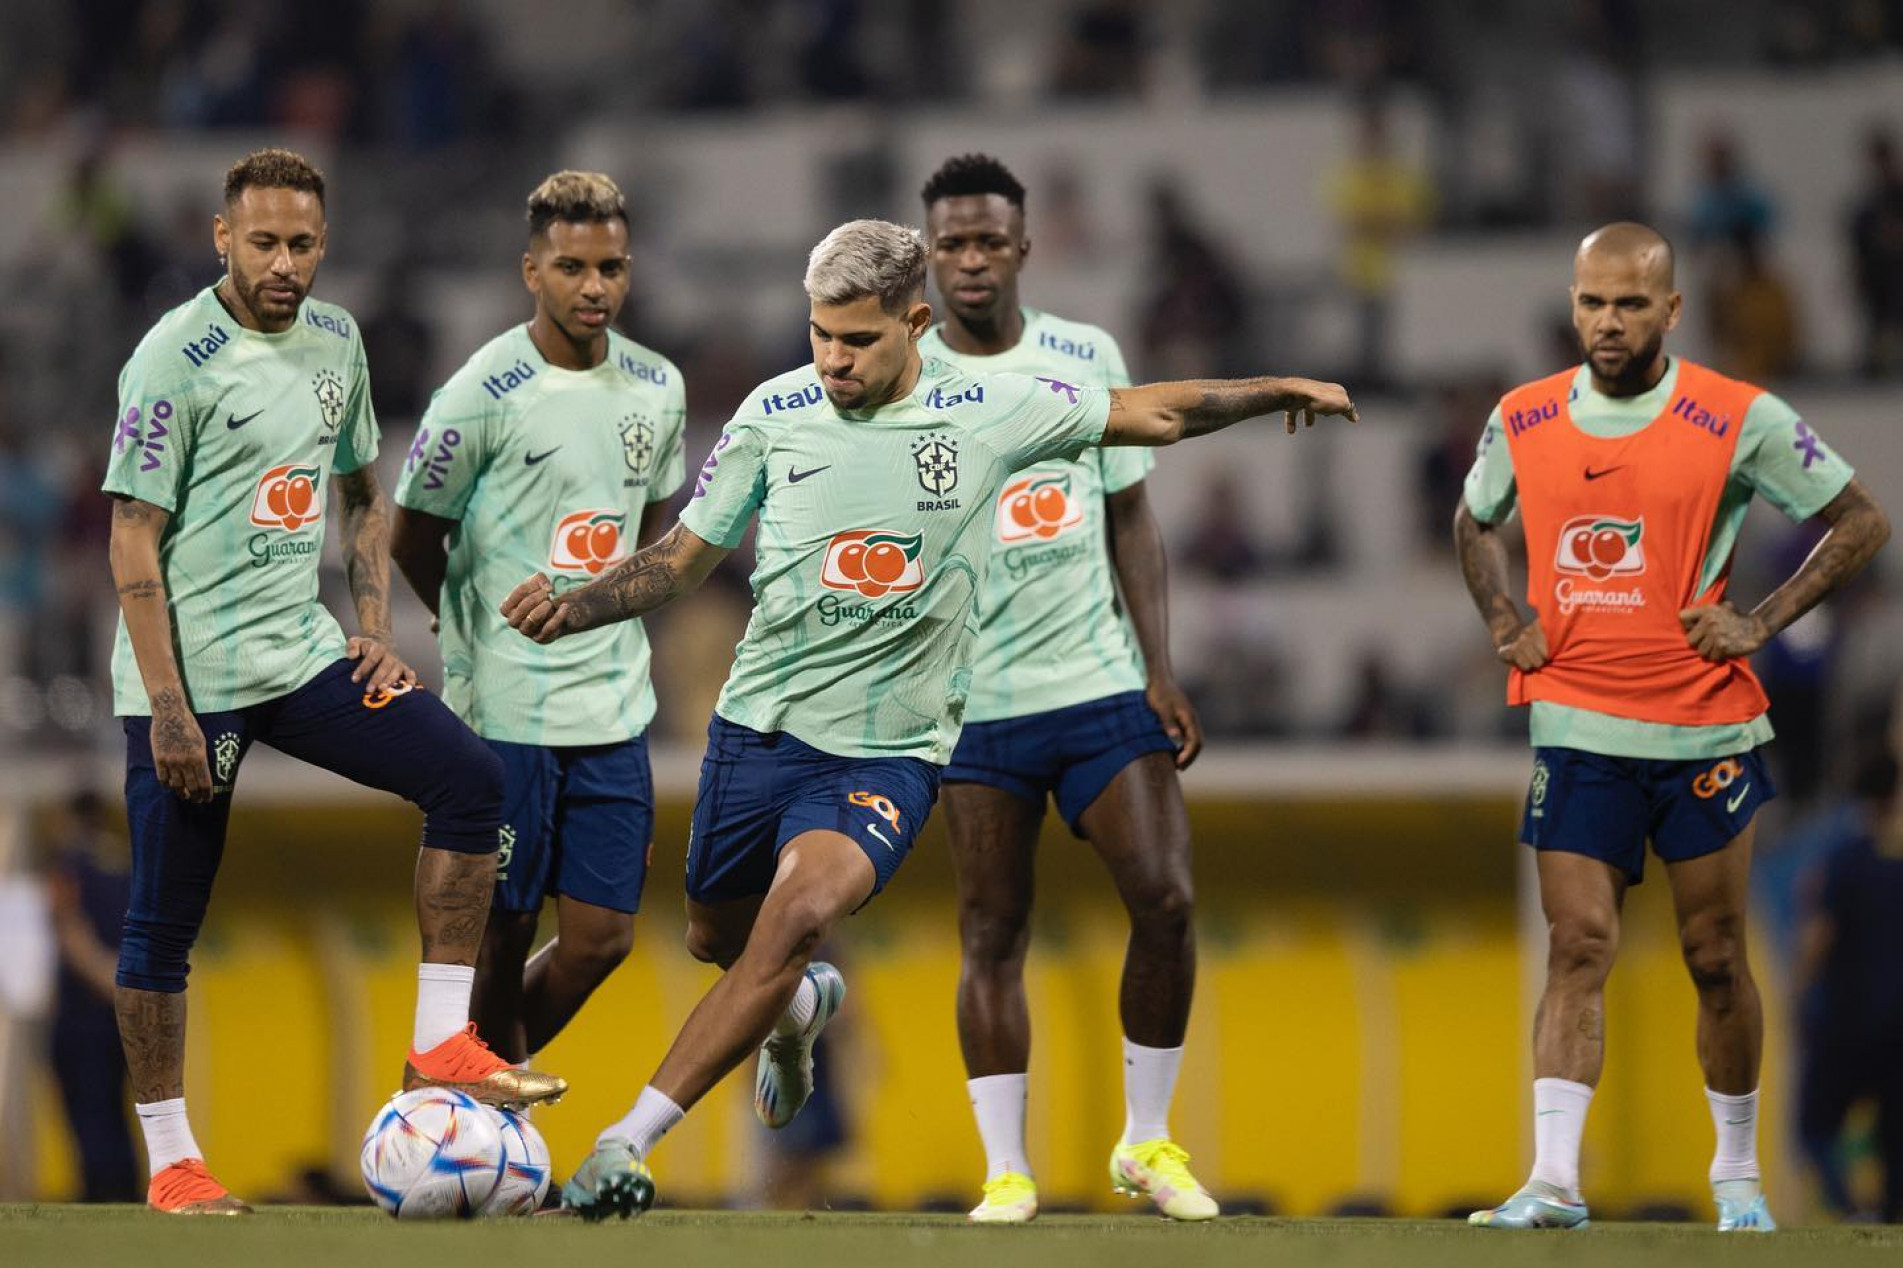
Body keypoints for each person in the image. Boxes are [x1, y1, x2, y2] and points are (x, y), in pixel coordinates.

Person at [501, 217, 1356, 1219]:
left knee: (800, 916)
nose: (832, 358)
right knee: (712, 936)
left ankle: (624, 1139)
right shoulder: (774, 413)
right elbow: (681, 559)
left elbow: (1153, 415)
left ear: (914, 322)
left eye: (857, 339)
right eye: (819, 333)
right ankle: (799, 1010)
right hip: (757, 734)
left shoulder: (989, 409)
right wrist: (580, 599)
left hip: (886, 754)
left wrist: (1278, 390)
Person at [102, 149, 566, 1216]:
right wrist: (167, 703)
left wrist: (370, 625)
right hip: (195, 680)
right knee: (163, 921)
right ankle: (174, 1162)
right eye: (261, 241)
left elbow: (367, 494)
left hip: (300, 653)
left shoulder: (338, 341)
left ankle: (440, 1034)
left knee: (468, 779)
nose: (283, 262)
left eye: (301, 243)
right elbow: (134, 532)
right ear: (222, 238)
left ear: (325, 241)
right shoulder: (174, 356)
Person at [1453, 222, 1890, 1232]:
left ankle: (1736, 1174)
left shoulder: (1736, 415)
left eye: (1631, 304)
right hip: (1573, 724)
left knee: (1714, 954)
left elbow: (1861, 518)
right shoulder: (1520, 418)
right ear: (1572, 303)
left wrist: (1759, 620)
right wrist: (1502, 617)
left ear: (1672, 309)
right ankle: (1553, 1178)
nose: (1608, 322)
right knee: (1577, 944)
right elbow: (1474, 519)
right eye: (1593, 302)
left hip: (1702, 731)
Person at [916, 153, 1211, 1224]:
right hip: (973, 705)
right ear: (927, 255)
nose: (972, 259)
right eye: (951, 242)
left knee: (1167, 898)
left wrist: (1159, 666)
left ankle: (1147, 1140)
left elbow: (1131, 513)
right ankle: (1006, 1169)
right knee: (992, 930)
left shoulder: (1085, 355)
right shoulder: (903, 375)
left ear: (1024, 247)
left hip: (1095, 685)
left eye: (989, 239)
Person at [392, 172, 686, 1066]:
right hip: (508, 711)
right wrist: (462, 624)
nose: (593, 286)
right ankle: (490, 1144)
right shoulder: (482, 390)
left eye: (610, 267)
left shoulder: (656, 387)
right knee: (503, 933)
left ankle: (442, 1091)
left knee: (602, 939)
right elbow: (412, 534)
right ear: (531, 270)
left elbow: (642, 540)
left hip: (611, 708)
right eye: (570, 267)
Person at [1794, 748, 1903, 1223]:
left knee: (1814, 1127)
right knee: (1895, 1132)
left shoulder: (1844, 856)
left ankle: (1850, 1206)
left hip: (1845, 1018)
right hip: (1898, 1021)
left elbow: (1821, 935)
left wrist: (1798, 993)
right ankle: (1888, 1212)